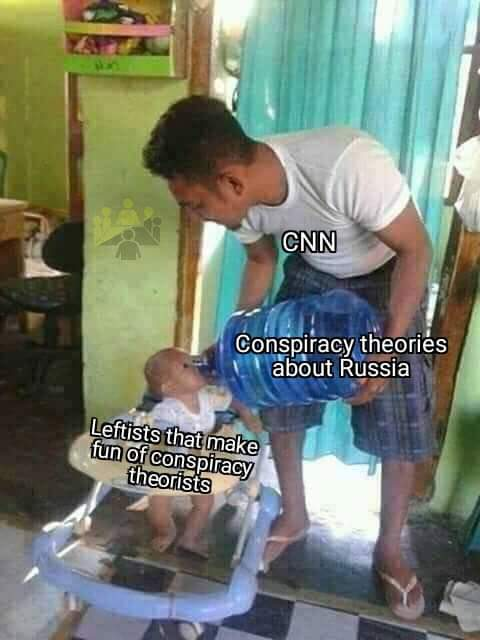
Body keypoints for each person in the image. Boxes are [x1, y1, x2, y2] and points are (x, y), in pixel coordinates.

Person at [142, 96, 434, 621]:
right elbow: (261, 258)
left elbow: (417, 249)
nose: (194, 216)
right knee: (277, 396)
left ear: (230, 182)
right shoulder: (244, 200)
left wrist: (386, 350)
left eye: (195, 205)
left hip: (390, 275)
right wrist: (238, 334)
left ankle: (390, 546)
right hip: (315, 272)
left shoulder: (346, 165)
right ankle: (294, 515)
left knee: (398, 419)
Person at [139, 347, 262, 557]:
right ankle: (166, 531)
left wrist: (247, 415)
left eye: (192, 362)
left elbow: (233, 400)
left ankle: (190, 538)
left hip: (200, 462)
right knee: (158, 502)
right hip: (169, 465)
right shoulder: (167, 409)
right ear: (170, 386)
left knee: (204, 503)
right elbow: (162, 432)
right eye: (186, 366)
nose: (195, 366)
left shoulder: (207, 396)